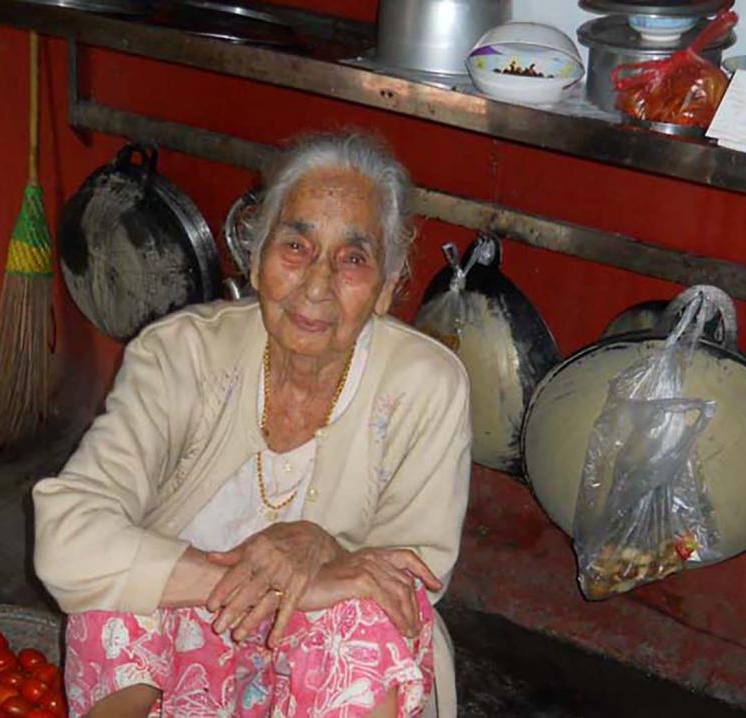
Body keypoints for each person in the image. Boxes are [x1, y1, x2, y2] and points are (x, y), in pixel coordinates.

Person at [33, 131, 471, 717]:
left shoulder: (426, 385)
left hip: (322, 671)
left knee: (372, 614)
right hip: (184, 655)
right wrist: (255, 578)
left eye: (354, 259)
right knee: (115, 583)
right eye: (296, 247)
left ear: (387, 289)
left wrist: (323, 550)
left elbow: (408, 578)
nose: (317, 285)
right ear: (258, 257)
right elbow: (66, 535)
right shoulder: (179, 355)